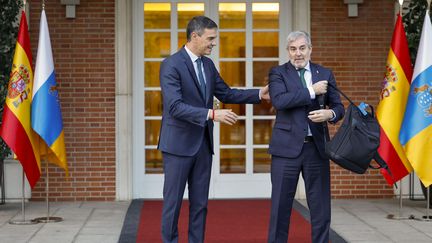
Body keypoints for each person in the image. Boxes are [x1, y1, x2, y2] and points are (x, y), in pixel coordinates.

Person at [157, 16, 270, 243]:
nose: (213, 43)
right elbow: (174, 106)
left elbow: (226, 93)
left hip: (203, 146)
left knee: (200, 204)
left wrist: (258, 94)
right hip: (177, 146)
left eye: (214, 39)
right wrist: (211, 114)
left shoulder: (207, 64)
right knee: (173, 204)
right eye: (210, 38)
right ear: (195, 36)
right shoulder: (171, 64)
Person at [267, 31, 345, 243]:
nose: (298, 53)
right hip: (285, 151)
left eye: (302, 48)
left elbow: (338, 106)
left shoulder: (324, 73)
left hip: (316, 149)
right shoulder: (278, 73)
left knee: (320, 207)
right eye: (293, 49)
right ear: (288, 51)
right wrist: (312, 91)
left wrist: (331, 114)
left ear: (310, 49)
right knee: (280, 207)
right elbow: (280, 101)